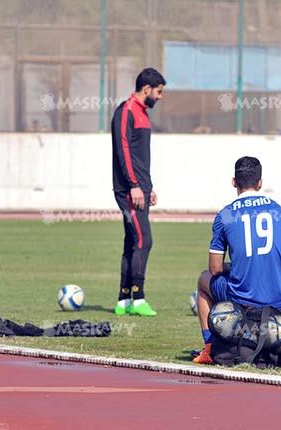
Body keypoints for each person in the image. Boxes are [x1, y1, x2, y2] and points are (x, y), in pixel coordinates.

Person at [193, 156, 281, 364]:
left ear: (234, 182)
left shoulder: (225, 215)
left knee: (203, 280)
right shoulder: (278, 210)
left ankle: (208, 347)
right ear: (260, 183)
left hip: (242, 301)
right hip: (280, 298)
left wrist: (236, 267)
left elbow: (215, 268)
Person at [111, 67, 166, 316]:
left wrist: (148, 186)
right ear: (147, 89)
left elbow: (141, 157)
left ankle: (124, 299)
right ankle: (139, 296)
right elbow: (123, 151)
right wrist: (134, 185)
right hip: (128, 190)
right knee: (145, 240)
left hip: (140, 189)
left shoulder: (143, 113)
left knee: (132, 241)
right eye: (159, 92)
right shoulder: (126, 111)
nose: (160, 96)